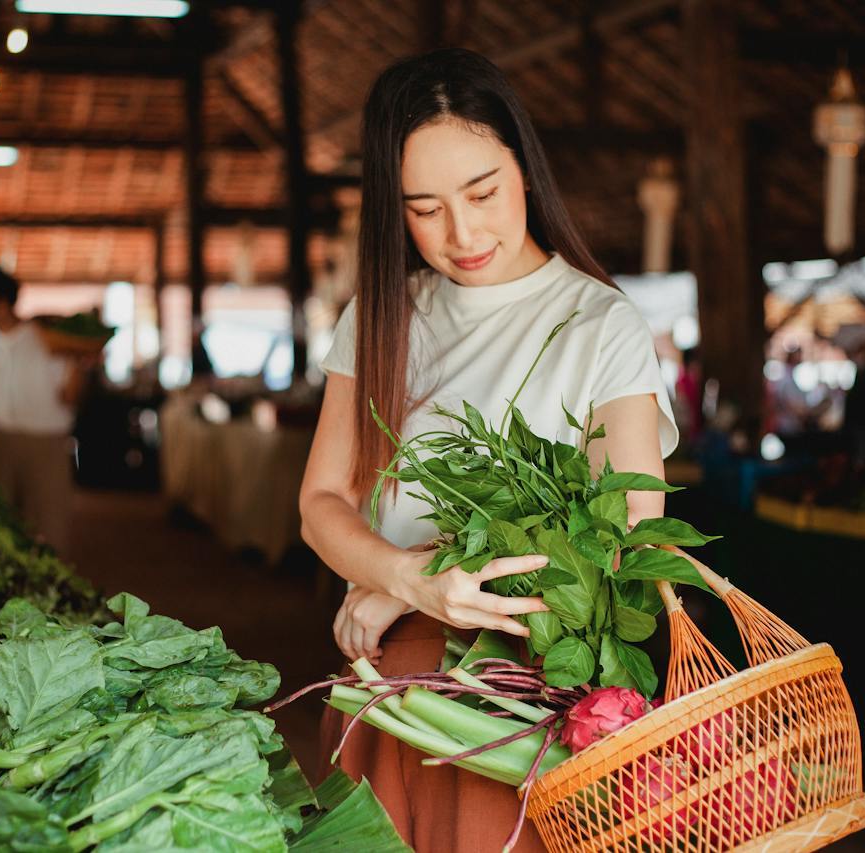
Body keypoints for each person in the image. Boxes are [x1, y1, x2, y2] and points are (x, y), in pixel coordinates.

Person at [298, 49, 677, 852]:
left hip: (522, 697)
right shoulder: (380, 314)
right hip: (387, 684)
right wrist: (400, 576)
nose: (462, 233)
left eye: (483, 192)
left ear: (526, 170)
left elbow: (625, 536)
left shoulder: (598, 325)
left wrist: (415, 581)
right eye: (424, 208)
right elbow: (320, 502)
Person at [0, 265, 89, 553]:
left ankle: (47, 593)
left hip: (46, 445)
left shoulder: (48, 339)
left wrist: (80, 363)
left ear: (1, 304)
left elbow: (69, 396)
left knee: (49, 526)